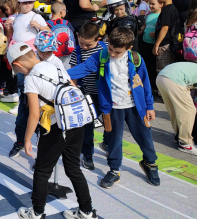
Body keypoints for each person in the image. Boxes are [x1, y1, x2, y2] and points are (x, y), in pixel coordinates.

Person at [9, 42, 98, 219]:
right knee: (73, 168)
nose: (19, 73)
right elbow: (73, 87)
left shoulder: (31, 79)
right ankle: (87, 211)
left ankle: (37, 212)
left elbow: (34, 114)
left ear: (18, 64)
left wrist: (27, 140)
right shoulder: (55, 66)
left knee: (42, 171)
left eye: (17, 70)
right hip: (75, 123)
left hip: (55, 128)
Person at [68, 27, 159, 189]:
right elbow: (81, 69)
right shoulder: (101, 56)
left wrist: (149, 106)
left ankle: (150, 164)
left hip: (136, 107)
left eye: (117, 52)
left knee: (145, 137)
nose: (112, 54)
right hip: (112, 109)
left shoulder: (136, 59)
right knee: (114, 141)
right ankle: (114, 170)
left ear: (129, 48)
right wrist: (57, 73)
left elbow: (145, 83)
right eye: (110, 48)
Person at [9, 0, 50, 158]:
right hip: (20, 60)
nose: (27, 5)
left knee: (39, 104)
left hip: (32, 60)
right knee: (23, 100)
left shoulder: (37, 16)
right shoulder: (17, 17)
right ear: (19, 4)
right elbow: (13, 35)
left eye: (30, 2)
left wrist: (39, 26)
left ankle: (42, 148)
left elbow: (48, 31)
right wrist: (9, 28)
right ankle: (20, 141)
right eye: (24, 3)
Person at [70, 23, 107, 170]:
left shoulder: (105, 49)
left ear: (98, 39)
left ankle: (108, 144)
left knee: (110, 122)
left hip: (105, 93)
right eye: (81, 43)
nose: (84, 47)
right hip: (87, 94)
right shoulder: (77, 52)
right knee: (88, 124)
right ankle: (87, 153)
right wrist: (74, 92)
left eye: (88, 44)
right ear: (78, 36)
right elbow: (73, 73)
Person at [157, 62, 197, 156]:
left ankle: (179, 136)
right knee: (189, 111)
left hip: (161, 77)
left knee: (175, 110)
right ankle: (185, 143)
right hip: (176, 80)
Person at [153, 0, 179, 73]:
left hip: (163, 45)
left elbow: (165, 28)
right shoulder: (173, 8)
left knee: (162, 70)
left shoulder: (167, 10)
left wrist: (156, 45)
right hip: (169, 44)